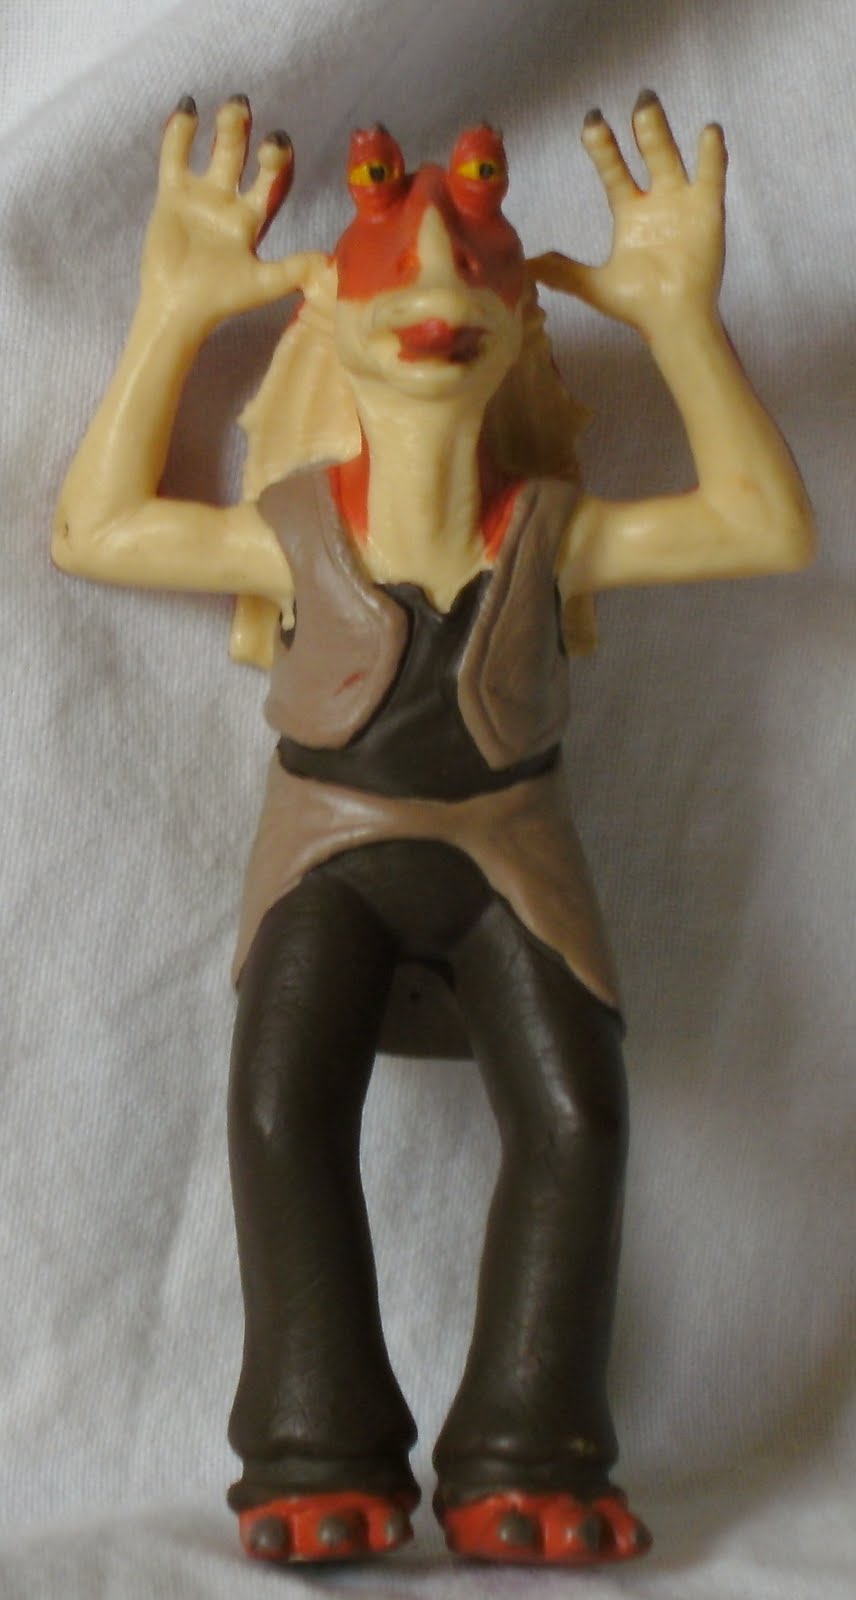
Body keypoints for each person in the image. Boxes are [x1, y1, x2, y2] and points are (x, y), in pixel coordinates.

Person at [52, 91, 814, 1566]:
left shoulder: (549, 529)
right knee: (281, 1107)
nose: (436, 293)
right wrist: (170, 311)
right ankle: (312, 1449)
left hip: (511, 855)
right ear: (331, 319)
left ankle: (531, 1453)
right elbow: (95, 531)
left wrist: (679, 323)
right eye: (399, 272)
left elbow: (762, 524)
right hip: (325, 851)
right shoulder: (296, 532)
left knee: (579, 1116)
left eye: (472, 266)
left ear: (518, 329)